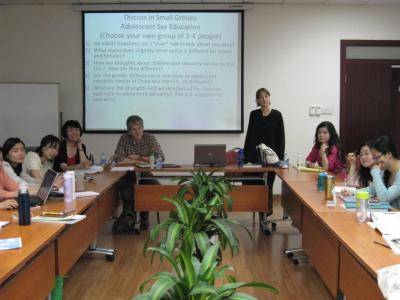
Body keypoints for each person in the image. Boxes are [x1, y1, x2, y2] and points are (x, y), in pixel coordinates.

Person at [112, 115, 165, 231]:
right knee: (126, 190)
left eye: (139, 128)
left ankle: (144, 217)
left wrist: (138, 157)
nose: (137, 131)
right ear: (129, 131)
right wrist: (141, 160)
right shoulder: (124, 138)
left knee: (155, 189)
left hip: (145, 174)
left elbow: (160, 158)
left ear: (143, 127)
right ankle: (130, 219)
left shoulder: (149, 138)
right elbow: (118, 159)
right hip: (127, 175)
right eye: (134, 129)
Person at [244, 88, 285, 220]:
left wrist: (280, 158)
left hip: (272, 158)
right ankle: (261, 212)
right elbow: (249, 136)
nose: (264, 99)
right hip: (256, 157)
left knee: (268, 185)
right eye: (261, 97)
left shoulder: (277, 115)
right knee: (257, 185)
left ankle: (266, 212)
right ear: (257, 100)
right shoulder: (254, 114)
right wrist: (246, 157)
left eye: (266, 96)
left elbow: (281, 138)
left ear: (269, 98)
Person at [356, 136, 400, 209]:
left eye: (377, 157)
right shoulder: (386, 170)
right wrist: (353, 192)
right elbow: (372, 189)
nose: (375, 161)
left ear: (389, 154)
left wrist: (375, 172)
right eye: (374, 158)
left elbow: (384, 198)